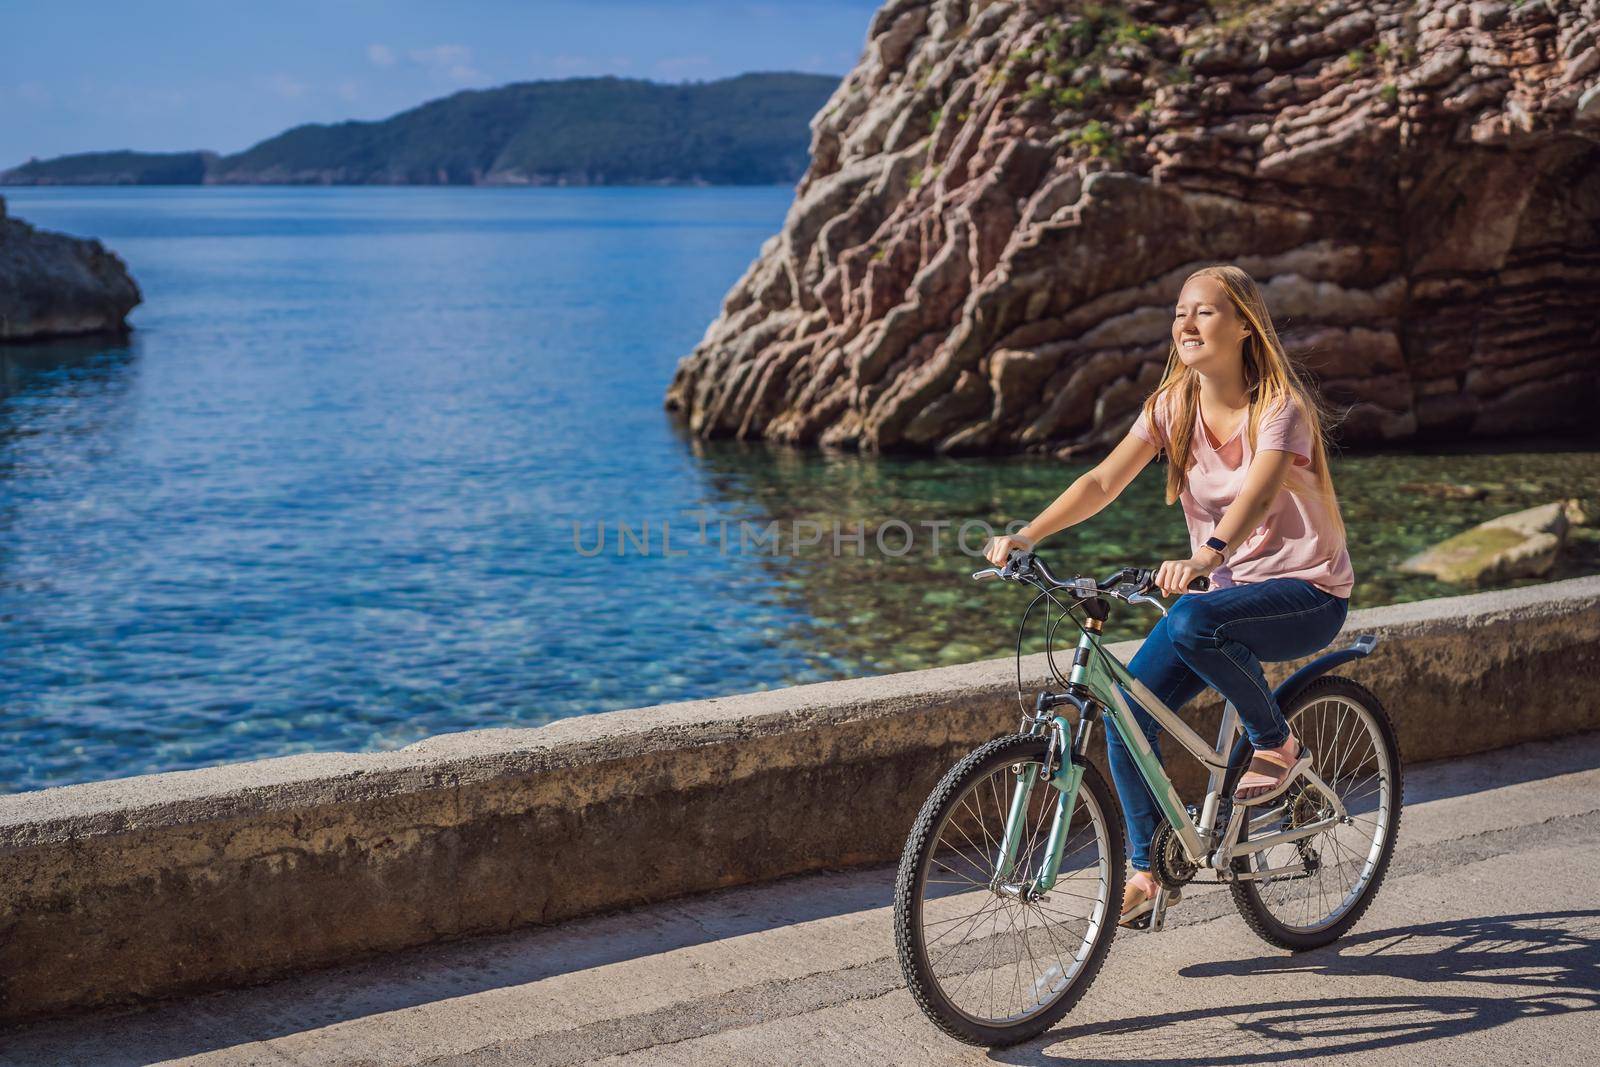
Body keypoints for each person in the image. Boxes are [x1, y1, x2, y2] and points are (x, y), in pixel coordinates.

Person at [983, 264, 1354, 928]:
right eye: (1180, 311)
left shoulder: (1280, 406)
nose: (1186, 322)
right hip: (1225, 598)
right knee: (1128, 712)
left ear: (1244, 324)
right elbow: (1102, 481)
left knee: (1191, 619)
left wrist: (1206, 556)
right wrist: (1028, 533)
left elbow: (1259, 492)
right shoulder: (1172, 406)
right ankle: (1152, 872)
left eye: (1204, 312)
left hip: (1307, 591)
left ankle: (1278, 742)